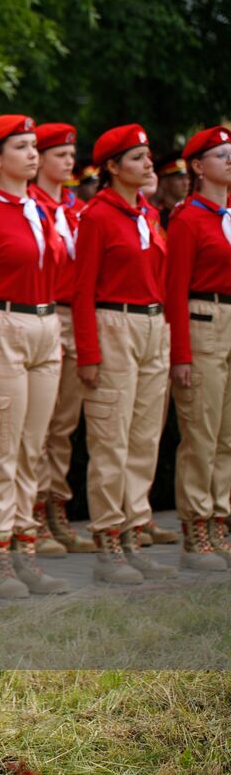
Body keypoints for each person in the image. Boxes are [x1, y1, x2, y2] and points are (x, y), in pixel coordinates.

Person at [0, 115, 69, 599]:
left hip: (45, 326)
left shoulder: (41, 209)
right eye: (20, 147)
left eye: (33, 147)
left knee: (31, 447)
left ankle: (26, 552)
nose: (31, 154)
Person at [71, 124, 178, 584]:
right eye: (136, 158)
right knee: (111, 438)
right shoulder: (97, 216)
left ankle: (136, 528)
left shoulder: (148, 214)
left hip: (154, 325)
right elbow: (81, 291)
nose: (148, 164)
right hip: (114, 323)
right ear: (111, 167)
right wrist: (89, 352)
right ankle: (109, 539)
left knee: (144, 437)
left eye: (147, 155)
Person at [29, 123, 98, 555]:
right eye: (58, 153)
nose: (67, 161)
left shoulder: (73, 208)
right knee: (36, 424)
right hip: (42, 312)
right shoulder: (31, 205)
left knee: (63, 426)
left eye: (70, 153)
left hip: (72, 316)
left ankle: (57, 509)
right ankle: (32, 511)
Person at [165, 125, 231, 569]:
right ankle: (196, 526)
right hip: (203, 319)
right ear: (197, 166)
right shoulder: (188, 217)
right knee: (201, 435)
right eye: (221, 155)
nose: (230, 161)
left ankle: (222, 519)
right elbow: (174, 290)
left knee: (228, 435)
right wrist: (181, 354)